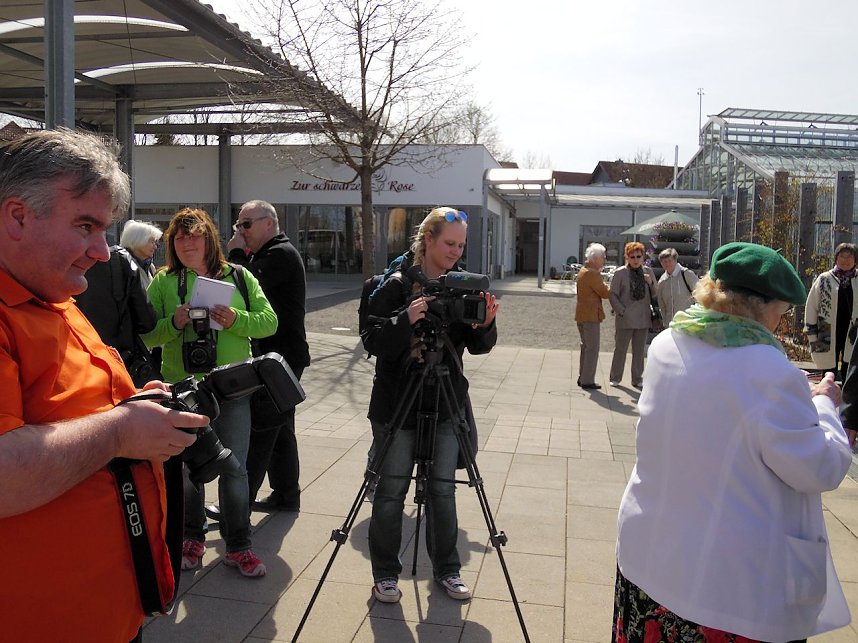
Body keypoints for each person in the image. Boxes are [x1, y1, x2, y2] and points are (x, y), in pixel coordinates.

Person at [0, 129, 207, 641]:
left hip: (109, 613)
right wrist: (119, 431)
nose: (101, 250)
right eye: (86, 226)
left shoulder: (53, 296)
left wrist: (134, 407)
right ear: (18, 216)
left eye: (106, 228)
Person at [613, 241, 852, 643]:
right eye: (780, 311)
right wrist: (826, 405)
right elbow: (820, 467)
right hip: (725, 590)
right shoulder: (771, 373)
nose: (779, 322)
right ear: (760, 307)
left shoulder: (668, 344)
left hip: (650, 555)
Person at [363, 207, 499, 604]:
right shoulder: (393, 283)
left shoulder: (464, 285)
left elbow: (480, 346)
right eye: (449, 243)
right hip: (398, 402)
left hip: (444, 399)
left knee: (443, 491)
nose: (456, 251)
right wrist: (405, 318)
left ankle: (449, 570)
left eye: (461, 245)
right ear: (428, 240)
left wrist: (486, 323)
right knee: (391, 492)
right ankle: (386, 574)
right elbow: (371, 339)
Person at [143, 207, 277, 578]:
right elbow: (148, 335)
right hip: (183, 389)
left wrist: (237, 321)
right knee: (187, 469)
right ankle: (192, 538)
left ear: (209, 239)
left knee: (235, 467)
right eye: (180, 237)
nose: (187, 243)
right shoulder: (165, 281)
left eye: (194, 235)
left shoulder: (239, 276)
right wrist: (175, 322)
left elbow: (269, 323)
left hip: (231, 387)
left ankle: (238, 546)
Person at [227, 199, 310, 512]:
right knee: (281, 429)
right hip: (282, 355)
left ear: (268, 223)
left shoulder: (278, 254)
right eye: (238, 225)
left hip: (280, 358)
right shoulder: (271, 253)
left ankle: (240, 504)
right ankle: (287, 494)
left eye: (246, 224)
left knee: (263, 429)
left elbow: (241, 289)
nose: (240, 231)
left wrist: (234, 253)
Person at [75, 243, 159, 386]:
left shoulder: (60, 259)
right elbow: (147, 322)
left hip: (76, 365)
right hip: (120, 365)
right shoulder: (121, 259)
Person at [805, 242, 858, 381]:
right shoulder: (824, 279)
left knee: (852, 369)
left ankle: (848, 401)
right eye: (842, 256)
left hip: (853, 331)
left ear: (855, 260)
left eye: (850, 256)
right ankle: (827, 399)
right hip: (826, 330)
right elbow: (812, 306)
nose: (846, 260)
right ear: (836, 258)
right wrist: (811, 331)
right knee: (828, 371)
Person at [608, 241, 655, 388]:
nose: (635, 259)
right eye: (632, 256)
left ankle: (637, 378)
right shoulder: (620, 273)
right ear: (626, 257)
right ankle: (615, 377)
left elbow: (656, 293)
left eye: (638, 256)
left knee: (639, 351)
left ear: (643, 257)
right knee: (620, 349)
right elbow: (612, 295)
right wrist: (622, 311)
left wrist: (651, 283)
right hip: (625, 318)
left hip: (642, 318)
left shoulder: (648, 272)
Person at [575, 243, 610, 390]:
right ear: (595, 258)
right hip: (591, 315)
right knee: (592, 348)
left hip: (582, 313)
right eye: (603, 257)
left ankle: (582, 376)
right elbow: (604, 293)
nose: (604, 259)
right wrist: (611, 287)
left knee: (586, 347)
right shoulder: (593, 273)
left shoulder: (583, 270)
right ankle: (587, 380)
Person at [655, 246, 698, 323]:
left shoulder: (686, 274)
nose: (667, 263)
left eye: (669, 260)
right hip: (670, 323)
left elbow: (700, 294)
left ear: (675, 260)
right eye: (664, 261)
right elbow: (662, 305)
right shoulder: (662, 281)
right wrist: (665, 321)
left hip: (688, 322)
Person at [120, 219, 163, 290]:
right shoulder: (123, 267)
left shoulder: (150, 267)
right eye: (152, 242)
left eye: (155, 242)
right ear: (137, 240)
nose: (155, 247)